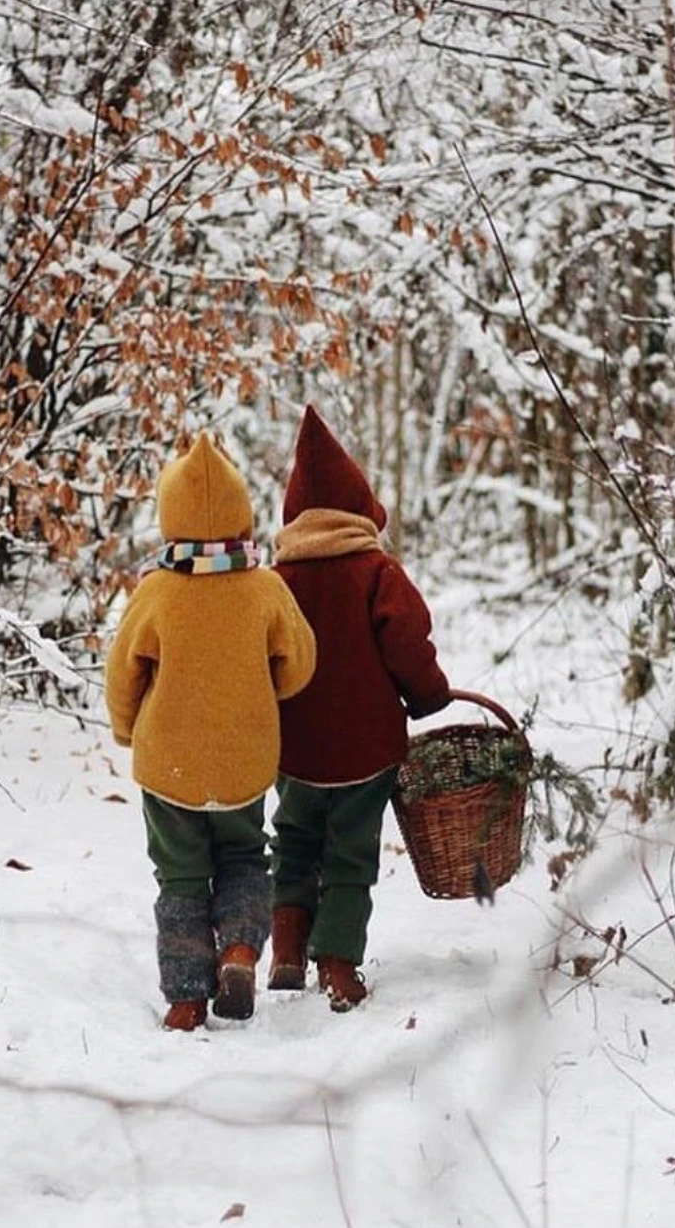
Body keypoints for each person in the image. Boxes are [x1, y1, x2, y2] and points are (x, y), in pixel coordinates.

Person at [105, 432, 316, 1032]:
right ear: (240, 511)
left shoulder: (156, 593)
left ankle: (186, 999)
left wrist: (127, 729)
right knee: (246, 859)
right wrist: (262, 691)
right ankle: (241, 952)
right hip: (243, 760)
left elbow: (123, 672)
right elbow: (299, 663)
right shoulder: (265, 588)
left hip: (169, 763)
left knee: (180, 876)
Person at [270, 405, 452, 1011]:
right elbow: (407, 642)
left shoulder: (276, 581)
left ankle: (287, 951)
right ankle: (339, 962)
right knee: (350, 851)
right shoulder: (377, 571)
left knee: (294, 840)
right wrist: (428, 696)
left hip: (294, 748)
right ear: (360, 509)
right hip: (364, 748)